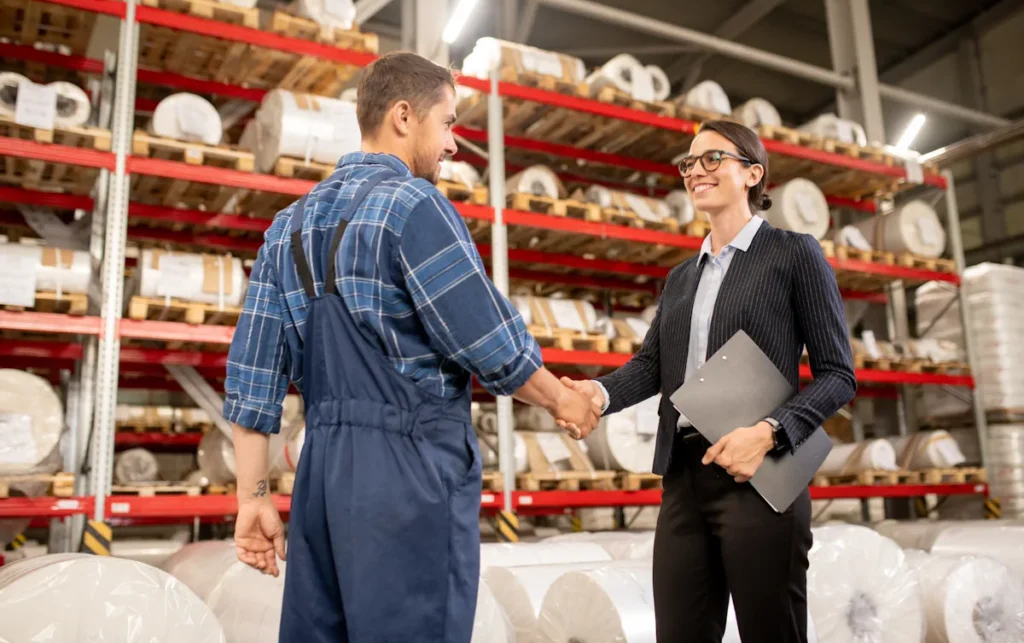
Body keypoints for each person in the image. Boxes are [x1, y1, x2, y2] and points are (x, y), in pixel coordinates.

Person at [223, 51, 600, 642]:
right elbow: (489, 343)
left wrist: (253, 500)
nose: (453, 145)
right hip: (407, 475)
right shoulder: (414, 207)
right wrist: (563, 401)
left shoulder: (286, 228)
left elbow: (252, 382)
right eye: (448, 123)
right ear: (404, 116)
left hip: (320, 475)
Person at [563, 119, 857, 643]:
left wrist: (769, 432)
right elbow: (652, 366)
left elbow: (838, 375)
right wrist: (599, 394)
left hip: (760, 475)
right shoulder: (681, 277)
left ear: (753, 174)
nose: (695, 170)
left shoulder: (792, 253)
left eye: (713, 158)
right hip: (685, 478)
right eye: (688, 163)